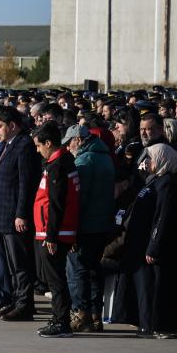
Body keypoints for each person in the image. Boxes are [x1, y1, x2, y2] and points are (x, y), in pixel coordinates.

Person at [118, 143, 177, 337]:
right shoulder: (154, 180)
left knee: (155, 288)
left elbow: (162, 218)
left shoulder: (167, 183)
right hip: (140, 245)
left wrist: (153, 247)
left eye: (152, 159)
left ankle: (157, 325)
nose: (148, 162)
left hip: (152, 246)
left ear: (163, 160)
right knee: (144, 287)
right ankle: (145, 323)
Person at [0, 106, 40, 321]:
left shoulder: (24, 146)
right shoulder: (9, 145)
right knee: (12, 263)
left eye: (0, 126)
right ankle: (16, 299)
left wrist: (21, 214)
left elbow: (25, 184)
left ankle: (25, 304)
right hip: (4, 213)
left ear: (12, 126)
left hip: (14, 216)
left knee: (21, 264)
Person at [32, 121, 81, 338]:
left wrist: (51, 235)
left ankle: (61, 321)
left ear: (49, 143)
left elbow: (57, 203)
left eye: (39, 145)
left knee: (56, 279)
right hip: (57, 230)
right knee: (56, 277)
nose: (37, 150)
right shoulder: (59, 161)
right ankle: (59, 317)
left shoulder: (58, 164)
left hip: (55, 232)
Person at [65, 124, 115, 333]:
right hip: (102, 224)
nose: (68, 148)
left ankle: (81, 314)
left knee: (77, 270)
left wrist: (72, 229)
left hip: (85, 225)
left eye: (69, 143)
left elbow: (79, 199)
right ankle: (95, 315)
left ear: (77, 140)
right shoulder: (104, 157)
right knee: (95, 269)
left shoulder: (84, 161)